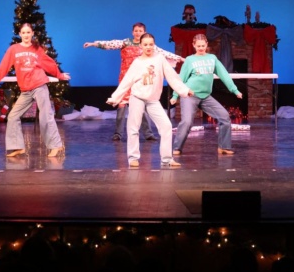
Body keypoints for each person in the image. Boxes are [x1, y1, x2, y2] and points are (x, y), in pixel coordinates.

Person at [83, 22, 184, 141]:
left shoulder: (147, 45)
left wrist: (180, 58)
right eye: (136, 31)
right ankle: (118, 133)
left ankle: (148, 133)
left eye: (140, 31)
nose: (138, 33)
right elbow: (110, 44)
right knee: (121, 105)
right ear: (132, 32)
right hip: (126, 78)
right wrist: (94, 44)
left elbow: (163, 53)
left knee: (142, 106)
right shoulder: (125, 42)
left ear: (144, 32)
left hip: (140, 81)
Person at [0, 23, 71, 158]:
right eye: (23, 33)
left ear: (32, 34)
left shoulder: (36, 49)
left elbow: (48, 63)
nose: (26, 35)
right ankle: (17, 147)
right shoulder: (13, 49)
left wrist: (59, 75)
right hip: (25, 90)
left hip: (39, 86)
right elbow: (4, 66)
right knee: (13, 116)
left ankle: (55, 146)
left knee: (46, 116)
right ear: (20, 34)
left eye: (28, 32)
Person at [107, 33, 192, 167]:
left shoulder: (160, 59)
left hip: (153, 100)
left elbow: (172, 76)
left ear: (154, 45)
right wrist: (115, 97)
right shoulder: (137, 62)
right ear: (140, 46)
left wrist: (184, 90)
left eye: (151, 44)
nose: (148, 47)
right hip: (137, 98)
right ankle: (133, 158)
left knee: (166, 126)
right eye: (145, 44)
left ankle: (167, 159)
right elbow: (127, 81)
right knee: (133, 128)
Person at [170, 33, 243, 156]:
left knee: (225, 117)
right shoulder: (189, 60)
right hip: (190, 95)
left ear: (206, 45)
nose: (201, 48)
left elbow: (224, 74)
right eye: (198, 46)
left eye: (203, 46)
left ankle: (224, 147)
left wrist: (234, 90)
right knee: (187, 122)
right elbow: (181, 79)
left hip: (206, 97)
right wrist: (175, 95)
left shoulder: (212, 58)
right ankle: (177, 148)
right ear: (194, 45)